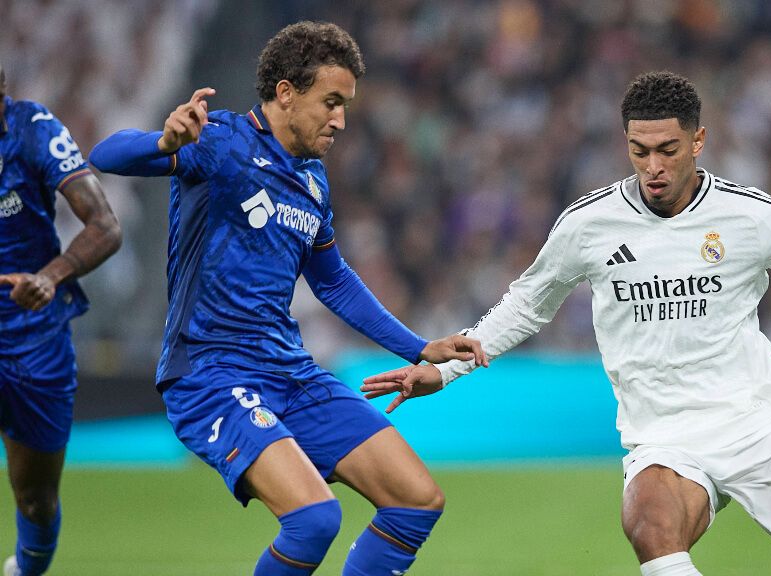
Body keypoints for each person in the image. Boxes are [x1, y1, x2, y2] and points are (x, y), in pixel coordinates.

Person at [361, 71, 771, 576]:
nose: (653, 166)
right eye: (639, 150)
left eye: (668, 150)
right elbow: (527, 304)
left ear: (698, 141)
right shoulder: (589, 224)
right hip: (661, 436)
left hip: (752, 424)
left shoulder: (750, 215)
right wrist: (444, 373)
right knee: (651, 529)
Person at [89, 22, 486, 576]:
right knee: (314, 519)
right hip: (211, 372)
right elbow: (105, 154)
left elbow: (333, 280)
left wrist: (419, 348)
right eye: (330, 102)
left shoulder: (314, 181)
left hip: (290, 372)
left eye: (345, 105)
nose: (340, 119)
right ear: (285, 93)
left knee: (416, 500)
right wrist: (162, 142)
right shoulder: (221, 142)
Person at [0, 63, 123, 576]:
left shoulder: (34, 131)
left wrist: (50, 276)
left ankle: (26, 570)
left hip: (34, 336)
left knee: (36, 500)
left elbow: (105, 225)